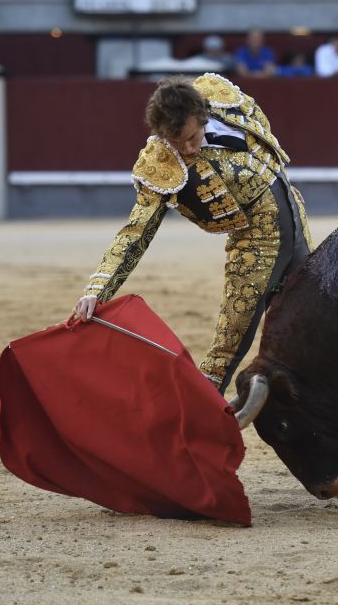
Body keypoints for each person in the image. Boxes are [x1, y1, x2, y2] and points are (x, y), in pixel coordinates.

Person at [72, 74, 313, 395]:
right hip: (257, 243)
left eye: (192, 137)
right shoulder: (160, 163)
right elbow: (136, 232)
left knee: (310, 317)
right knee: (229, 344)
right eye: (175, 142)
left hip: (294, 214)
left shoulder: (222, 98)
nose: (186, 149)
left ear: (203, 116)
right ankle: (198, 420)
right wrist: (98, 288)